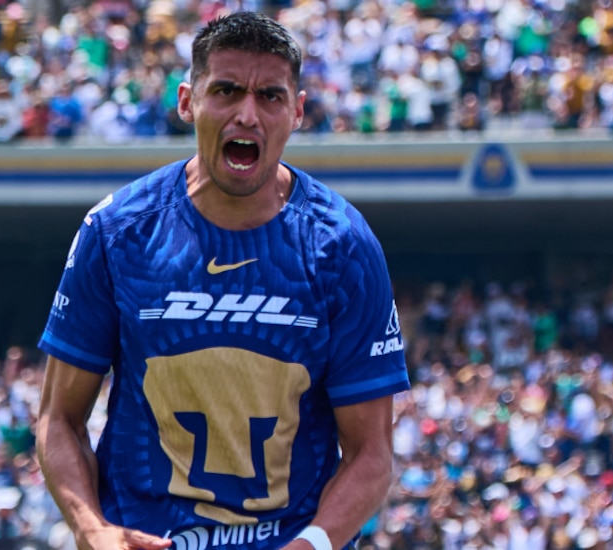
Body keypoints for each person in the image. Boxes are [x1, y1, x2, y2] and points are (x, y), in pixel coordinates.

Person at [36, 11, 410, 550]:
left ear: (298, 111)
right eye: (227, 91)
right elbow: (58, 419)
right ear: (187, 101)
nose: (247, 115)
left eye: (271, 97)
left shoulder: (344, 245)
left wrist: (311, 545)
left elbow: (372, 454)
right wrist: (92, 530)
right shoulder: (116, 231)